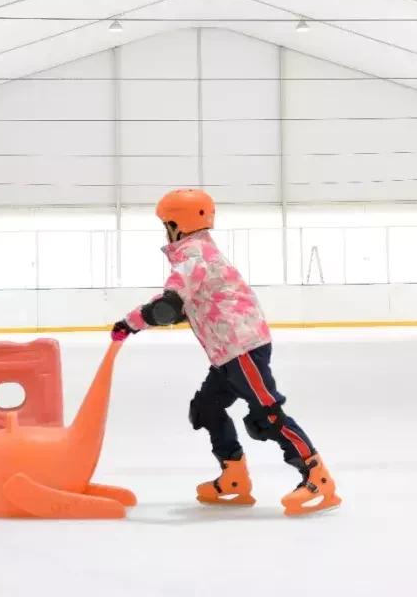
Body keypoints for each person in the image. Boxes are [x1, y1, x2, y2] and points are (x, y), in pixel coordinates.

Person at [111, 188, 341, 517]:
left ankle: (317, 477)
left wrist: (129, 323)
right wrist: (153, 315)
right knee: (206, 409)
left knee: (268, 415)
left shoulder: (193, 256)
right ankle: (234, 477)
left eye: (166, 223)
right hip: (226, 353)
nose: (165, 230)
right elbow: (182, 306)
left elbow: (168, 306)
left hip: (242, 346)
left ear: (177, 224)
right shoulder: (198, 253)